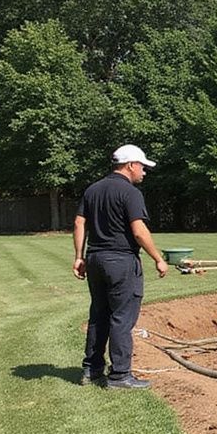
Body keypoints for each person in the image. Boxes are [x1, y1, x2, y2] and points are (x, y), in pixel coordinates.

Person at [73, 144, 170, 389]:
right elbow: (139, 231)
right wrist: (158, 258)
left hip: (95, 259)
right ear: (130, 165)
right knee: (122, 317)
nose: (144, 172)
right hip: (121, 261)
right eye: (143, 167)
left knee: (99, 314)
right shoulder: (130, 193)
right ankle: (120, 375)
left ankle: (91, 370)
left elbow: (78, 223)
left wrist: (78, 256)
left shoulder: (92, 190)